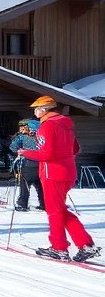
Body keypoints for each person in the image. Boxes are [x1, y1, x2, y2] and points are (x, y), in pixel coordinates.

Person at [19, 97, 100, 262]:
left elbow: (46, 155)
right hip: (68, 172)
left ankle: (59, 248)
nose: (34, 111)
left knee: (54, 211)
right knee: (60, 209)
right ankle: (85, 244)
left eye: (36, 108)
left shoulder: (46, 127)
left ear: (44, 109)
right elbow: (76, 148)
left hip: (52, 174)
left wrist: (25, 152)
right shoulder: (66, 126)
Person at [8, 119, 44, 212]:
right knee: (41, 187)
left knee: (25, 186)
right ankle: (44, 204)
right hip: (42, 165)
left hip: (27, 164)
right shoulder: (42, 137)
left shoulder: (22, 137)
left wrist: (16, 142)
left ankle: (22, 204)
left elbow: (13, 148)